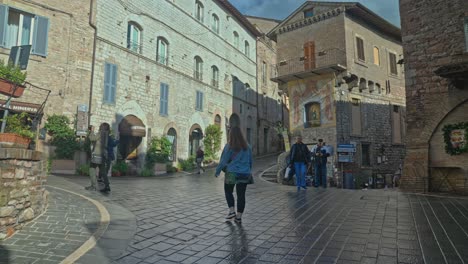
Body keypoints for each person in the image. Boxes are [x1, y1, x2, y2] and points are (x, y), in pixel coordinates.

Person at [215, 126, 253, 224]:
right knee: (241, 195)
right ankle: (239, 217)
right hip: (244, 173)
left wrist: (217, 171)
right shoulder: (247, 146)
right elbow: (250, 161)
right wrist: (248, 170)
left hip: (231, 172)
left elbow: (223, 161)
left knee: (228, 191)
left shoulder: (229, 146)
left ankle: (232, 211)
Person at [85, 123, 109, 192]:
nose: (99, 126)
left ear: (102, 127)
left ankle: (94, 186)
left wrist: (92, 131)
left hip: (97, 155)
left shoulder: (101, 133)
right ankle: (107, 186)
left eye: (100, 126)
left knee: (92, 169)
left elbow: (92, 138)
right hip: (102, 155)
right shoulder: (107, 134)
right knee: (103, 171)